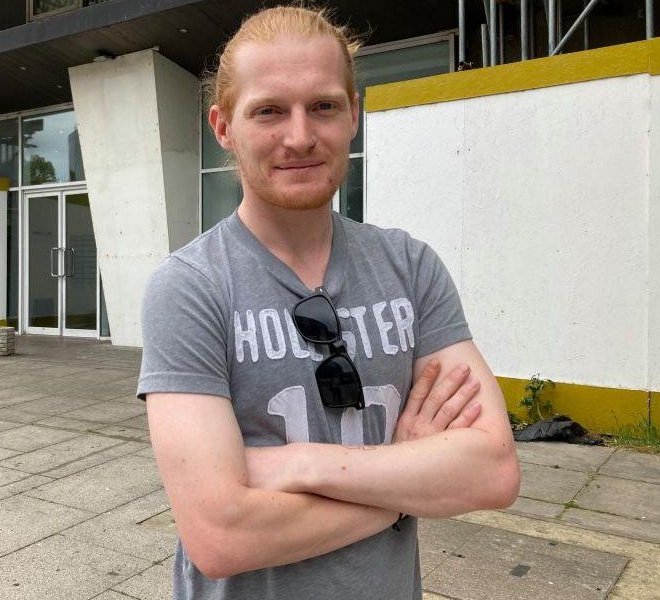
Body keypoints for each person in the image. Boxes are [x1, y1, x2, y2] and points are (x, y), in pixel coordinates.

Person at [136, 5, 521, 600]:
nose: (299, 136)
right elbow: (220, 537)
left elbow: (492, 471)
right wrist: (402, 482)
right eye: (269, 111)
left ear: (354, 115)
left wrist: (297, 463)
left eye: (323, 106)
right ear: (223, 127)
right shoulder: (191, 288)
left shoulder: (410, 268)